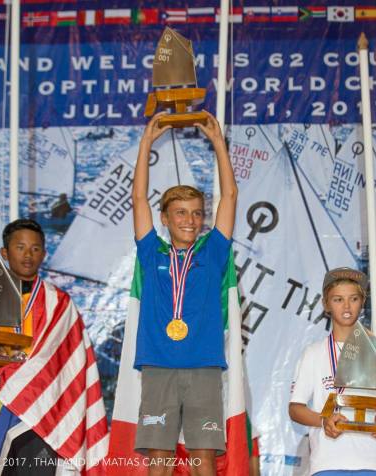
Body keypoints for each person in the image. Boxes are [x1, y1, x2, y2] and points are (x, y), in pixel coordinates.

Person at [0, 219, 108, 475]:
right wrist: (6, 375)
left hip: (46, 412)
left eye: (35, 248)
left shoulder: (60, 303)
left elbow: (75, 361)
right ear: (4, 252)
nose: (28, 255)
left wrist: (29, 375)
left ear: (44, 254)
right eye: (20, 247)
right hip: (2, 410)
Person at [131, 110, 237, 476]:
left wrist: (219, 144)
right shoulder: (151, 253)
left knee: (203, 458)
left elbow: (230, 196)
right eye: (180, 213)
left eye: (196, 213)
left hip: (204, 366)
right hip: (158, 365)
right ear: (165, 218)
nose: (190, 220)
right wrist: (146, 143)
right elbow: (139, 199)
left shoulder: (213, 252)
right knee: (159, 458)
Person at [289, 267, 376, 476]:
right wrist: (323, 421)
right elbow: (295, 408)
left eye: (353, 299)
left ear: (362, 302)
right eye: (338, 300)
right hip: (327, 463)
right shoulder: (313, 353)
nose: (346, 306)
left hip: (374, 462)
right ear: (326, 304)